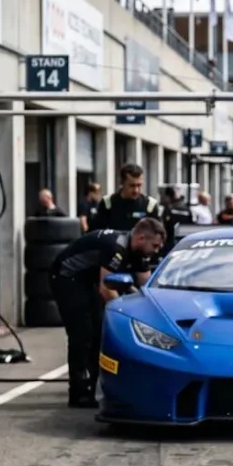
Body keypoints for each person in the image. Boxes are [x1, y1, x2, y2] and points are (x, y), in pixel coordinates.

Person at [49, 218, 166, 407]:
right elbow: (107, 290)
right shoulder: (116, 248)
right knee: (83, 334)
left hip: (88, 280)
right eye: (155, 245)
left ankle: (97, 386)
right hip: (67, 277)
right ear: (141, 237)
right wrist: (130, 316)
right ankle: (79, 392)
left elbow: (146, 288)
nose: (157, 250)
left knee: (98, 333)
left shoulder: (140, 251)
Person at [91, 164, 166, 231]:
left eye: (139, 185)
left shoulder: (150, 205)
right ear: (122, 183)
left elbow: (158, 235)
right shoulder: (108, 203)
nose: (136, 190)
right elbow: (95, 232)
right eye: (132, 186)